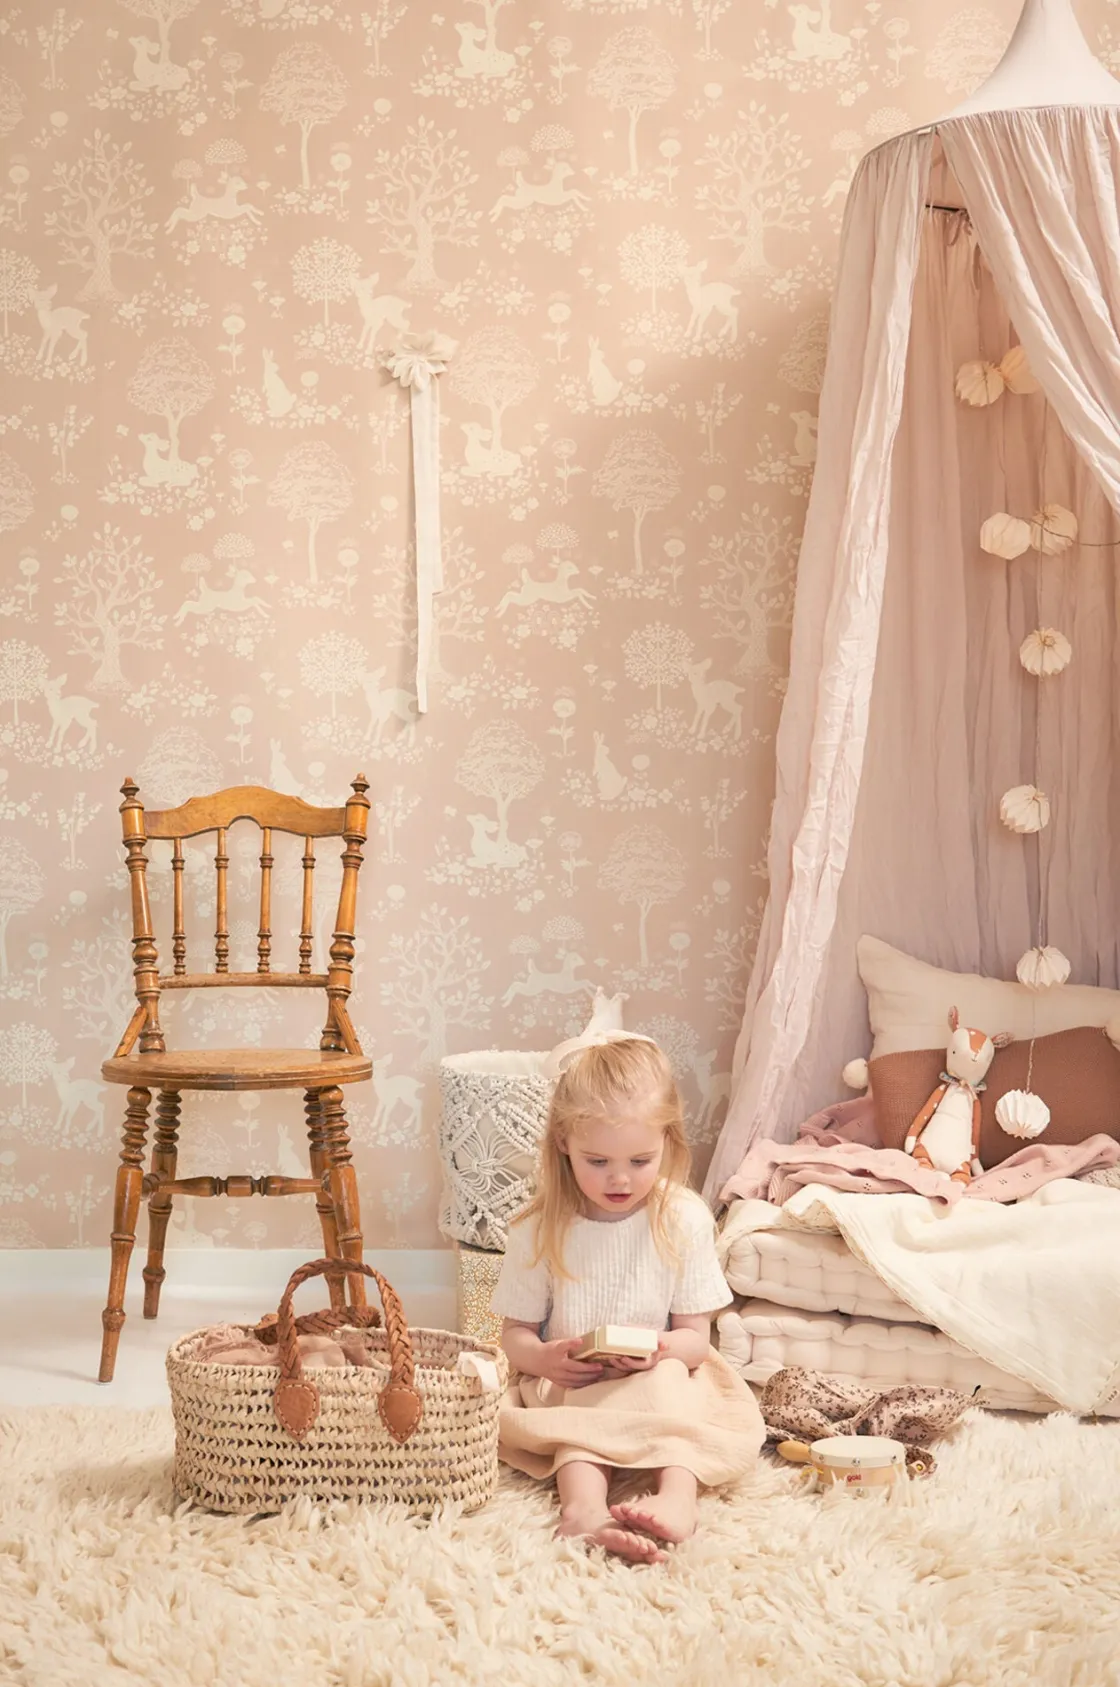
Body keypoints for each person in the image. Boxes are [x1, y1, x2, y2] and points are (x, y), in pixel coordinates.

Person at [491, 1035, 764, 1564]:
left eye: (641, 1160)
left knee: (672, 1390)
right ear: (564, 1141)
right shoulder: (539, 1228)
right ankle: (582, 1512)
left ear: (667, 1140)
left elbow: (695, 1342)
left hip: (658, 1372)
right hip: (576, 1379)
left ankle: (677, 1500)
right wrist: (545, 1358)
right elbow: (514, 1337)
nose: (619, 1179)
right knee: (579, 1418)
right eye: (597, 1161)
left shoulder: (682, 1218)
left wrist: (660, 1350)